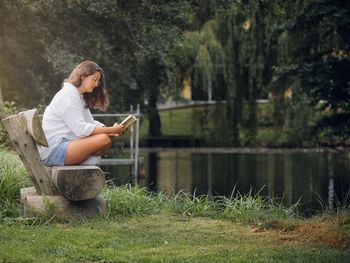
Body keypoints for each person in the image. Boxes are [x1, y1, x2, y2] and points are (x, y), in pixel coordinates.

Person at [37, 61, 125, 166]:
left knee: (104, 140)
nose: (96, 85)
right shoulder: (68, 96)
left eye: (98, 81)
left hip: (64, 146)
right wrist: (110, 130)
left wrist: (110, 129)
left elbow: (90, 122)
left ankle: (82, 164)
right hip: (53, 151)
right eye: (94, 80)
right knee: (103, 139)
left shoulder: (77, 96)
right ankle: (83, 164)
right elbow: (80, 130)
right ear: (83, 76)